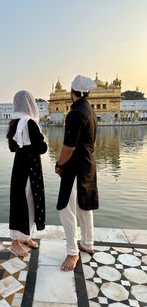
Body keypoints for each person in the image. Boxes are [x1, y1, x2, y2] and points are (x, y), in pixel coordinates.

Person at [55, 75, 99, 271]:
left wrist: (59, 164)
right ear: (87, 93)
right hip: (88, 164)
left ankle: (73, 252)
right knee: (84, 207)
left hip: (74, 168)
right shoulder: (89, 110)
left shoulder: (75, 114)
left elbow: (68, 147)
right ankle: (87, 243)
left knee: (66, 209)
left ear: (72, 92)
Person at [7, 90, 47, 257]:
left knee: (27, 202)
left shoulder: (15, 122)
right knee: (23, 202)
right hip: (28, 170)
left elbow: (12, 147)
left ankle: (25, 236)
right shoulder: (29, 122)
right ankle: (15, 243)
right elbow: (42, 148)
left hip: (21, 168)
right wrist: (42, 139)